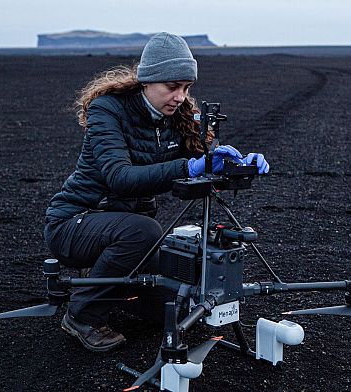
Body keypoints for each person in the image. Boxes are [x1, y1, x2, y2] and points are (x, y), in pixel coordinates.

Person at [44, 32, 270, 352]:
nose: (180, 96)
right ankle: (81, 315)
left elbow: (208, 157)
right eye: (172, 87)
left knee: (174, 306)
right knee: (145, 231)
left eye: (186, 88)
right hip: (75, 222)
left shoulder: (177, 117)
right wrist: (187, 167)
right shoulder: (107, 110)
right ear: (148, 80)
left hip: (124, 231)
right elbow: (119, 177)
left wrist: (237, 164)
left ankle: (101, 280)